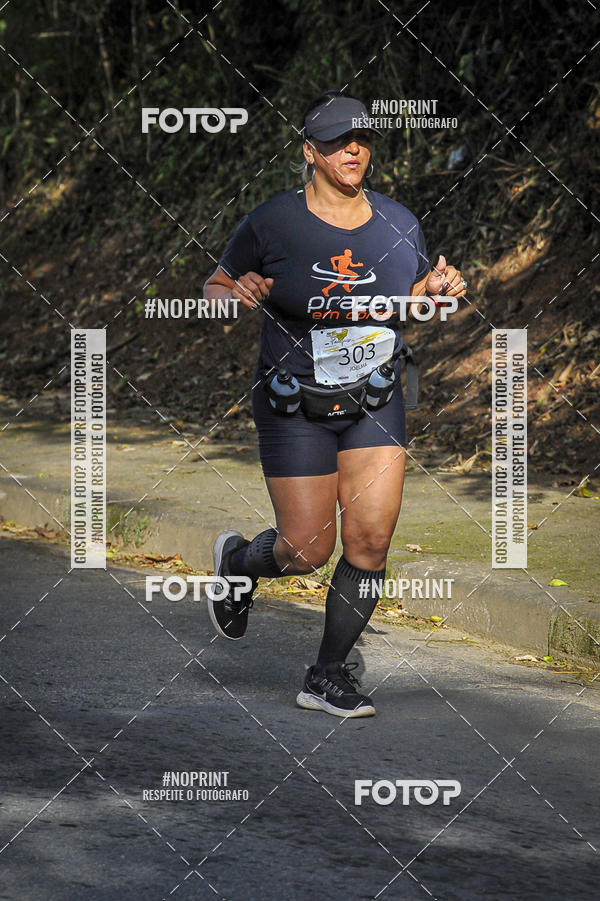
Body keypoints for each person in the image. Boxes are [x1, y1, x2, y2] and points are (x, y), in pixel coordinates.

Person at [203, 90, 466, 718]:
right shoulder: (273, 222)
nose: (353, 149)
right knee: (307, 548)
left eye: (363, 139)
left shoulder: (400, 222)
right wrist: (235, 292)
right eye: (337, 141)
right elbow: (215, 286)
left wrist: (435, 291)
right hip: (295, 403)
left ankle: (326, 675)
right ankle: (240, 561)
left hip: (376, 400)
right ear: (310, 153)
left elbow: (409, 305)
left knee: (370, 541)